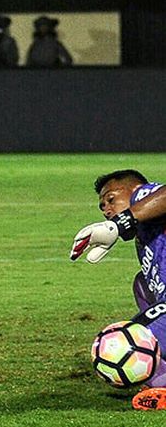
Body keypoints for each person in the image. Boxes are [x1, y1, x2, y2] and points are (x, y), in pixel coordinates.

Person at [70, 169, 166, 410]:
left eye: (111, 199)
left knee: (122, 343)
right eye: (102, 207)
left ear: (134, 190)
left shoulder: (142, 194)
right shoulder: (147, 238)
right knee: (142, 286)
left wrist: (121, 223)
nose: (106, 210)